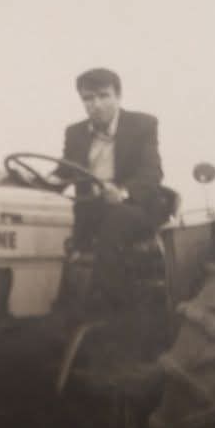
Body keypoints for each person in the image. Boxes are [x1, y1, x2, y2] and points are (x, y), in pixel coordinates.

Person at [54, 68, 165, 311]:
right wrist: (18, 179)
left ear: (118, 96)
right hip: (90, 207)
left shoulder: (142, 125)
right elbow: (62, 173)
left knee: (117, 219)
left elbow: (152, 173)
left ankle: (106, 307)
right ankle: (57, 301)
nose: (96, 104)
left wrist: (123, 192)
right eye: (88, 98)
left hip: (134, 206)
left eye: (103, 96)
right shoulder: (75, 133)